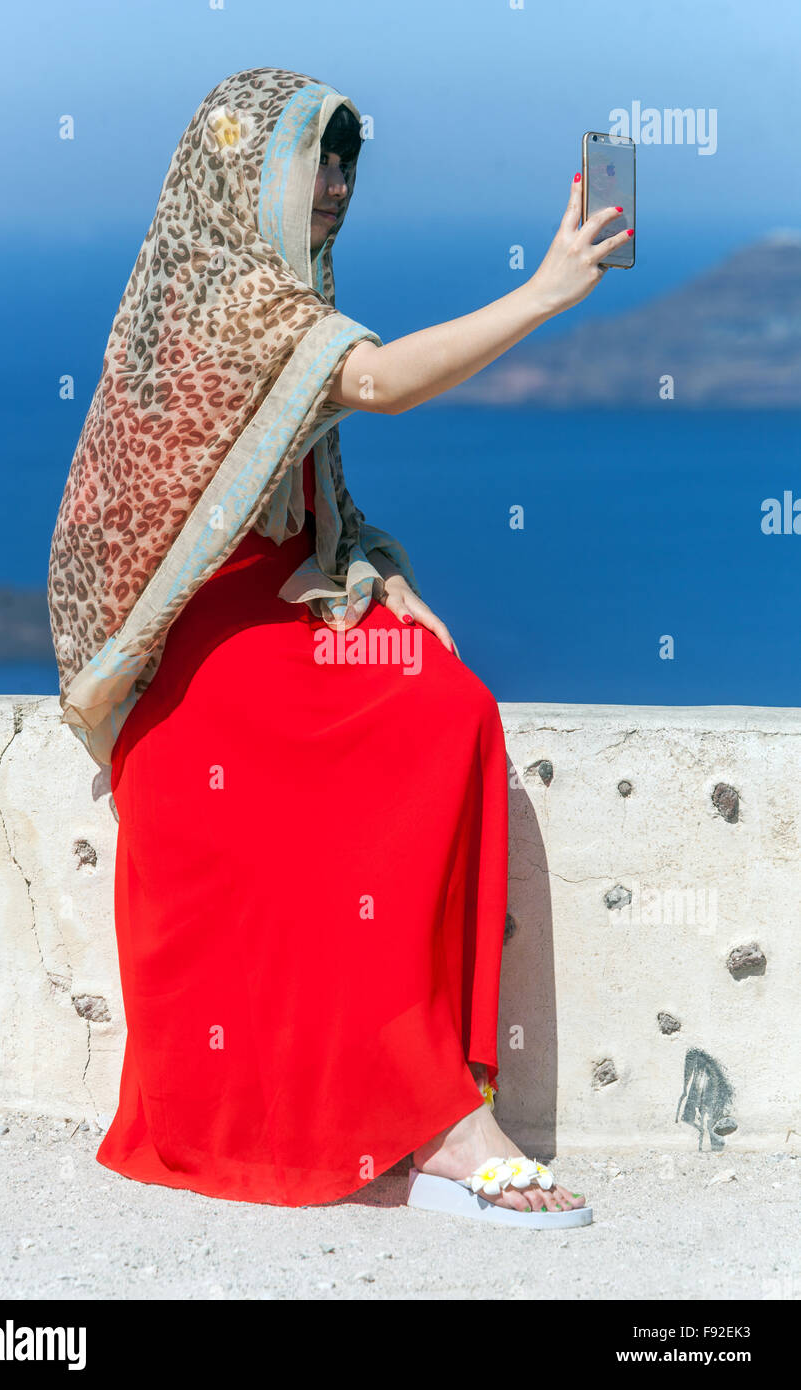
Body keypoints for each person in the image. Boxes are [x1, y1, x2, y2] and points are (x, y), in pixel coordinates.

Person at [47, 67, 631, 1226]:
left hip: (285, 604)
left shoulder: (280, 288)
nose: (338, 188)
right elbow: (373, 384)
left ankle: (428, 1099)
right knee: (391, 736)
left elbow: (313, 486)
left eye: (348, 164)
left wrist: (378, 566)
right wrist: (542, 294)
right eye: (319, 162)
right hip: (204, 637)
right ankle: (441, 1130)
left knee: (446, 706)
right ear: (248, 177)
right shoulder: (225, 296)